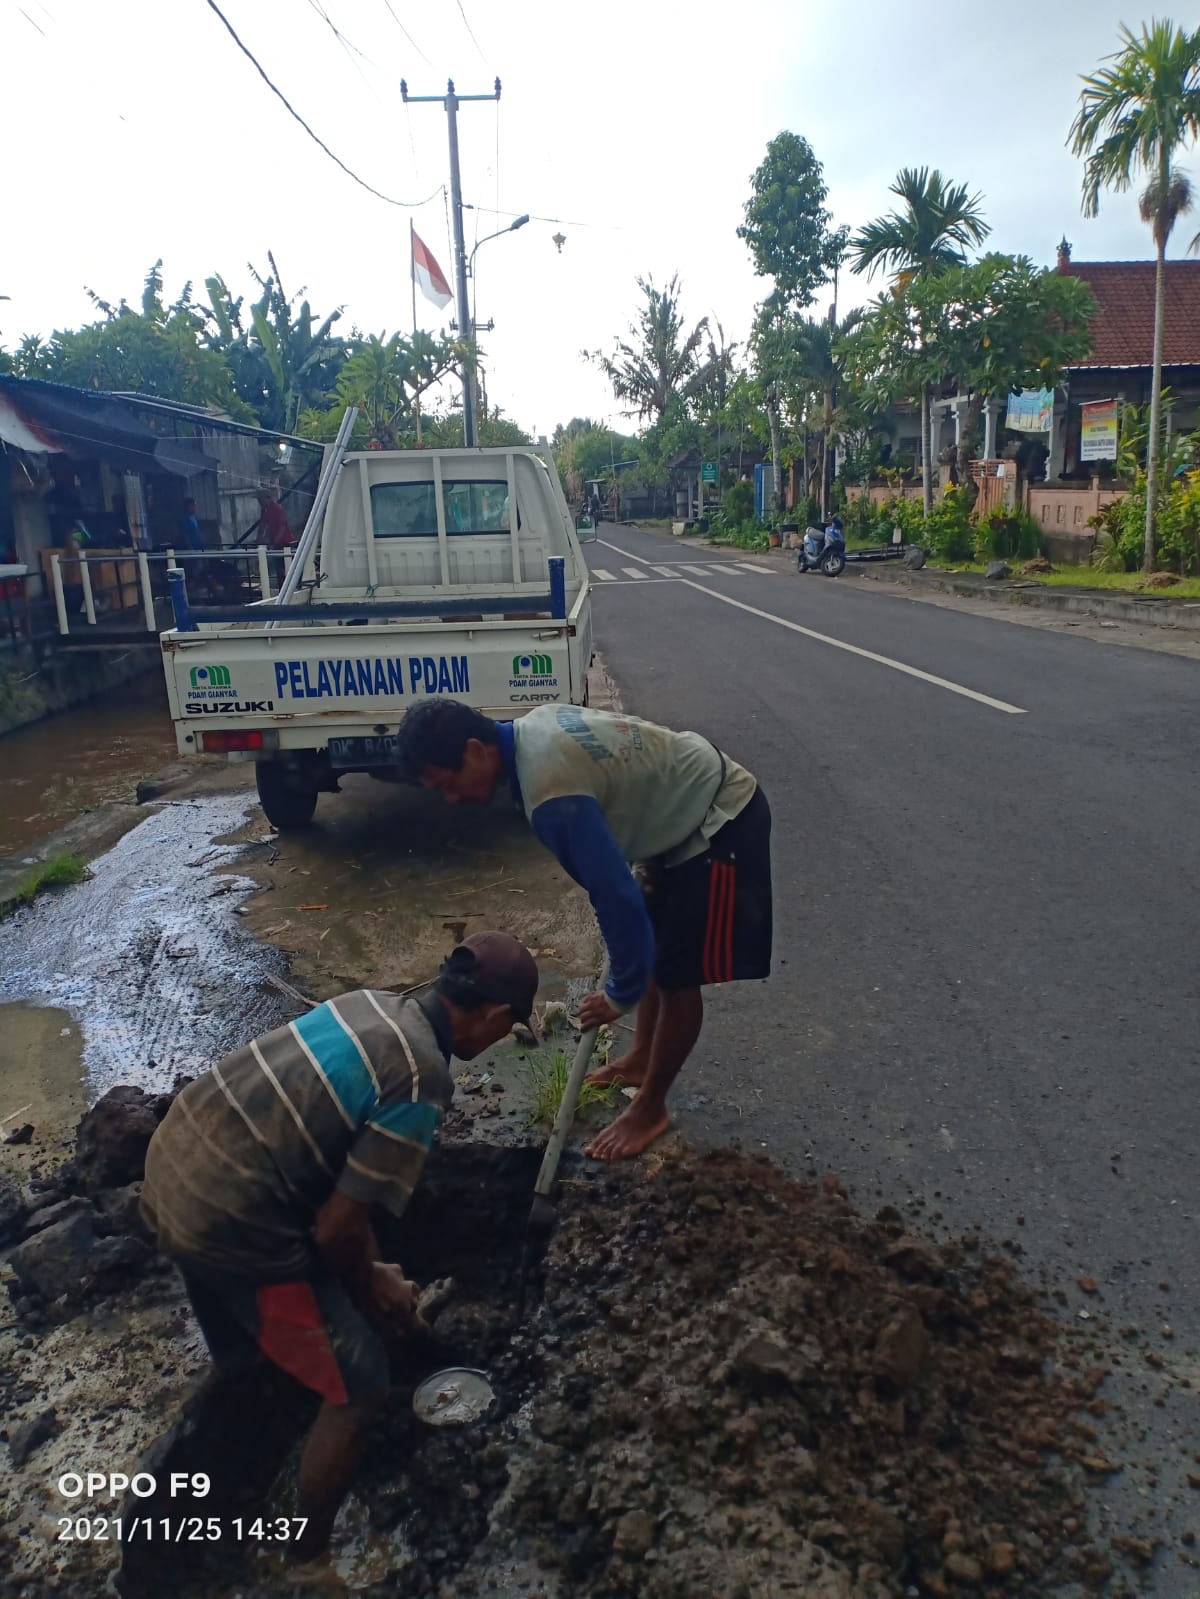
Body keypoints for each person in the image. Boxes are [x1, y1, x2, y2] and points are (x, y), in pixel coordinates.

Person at [139, 932, 539, 1559]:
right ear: (493, 1016)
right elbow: (335, 1233)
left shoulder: (373, 1005)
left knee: (248, 1360)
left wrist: (373, 1271)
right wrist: (375, 1285)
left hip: (175, 1167)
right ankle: (306, 1558)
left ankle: (244, 1449)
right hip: (230, 1216)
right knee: (361, 1386)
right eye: (507, 1029)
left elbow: (341, 1190)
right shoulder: (420, 1081)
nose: (498, 1041)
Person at [394, 701, 772, 1163]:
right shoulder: (530, 731)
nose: (451, 799)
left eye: (448, 785)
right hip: (672, 817)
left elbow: (614, 897)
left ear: (475, 751)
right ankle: (637, 1061)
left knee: (678, 974)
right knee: (657, 946)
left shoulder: (550, 793)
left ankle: (650, 1108)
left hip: (716, 818)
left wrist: (618, 996)